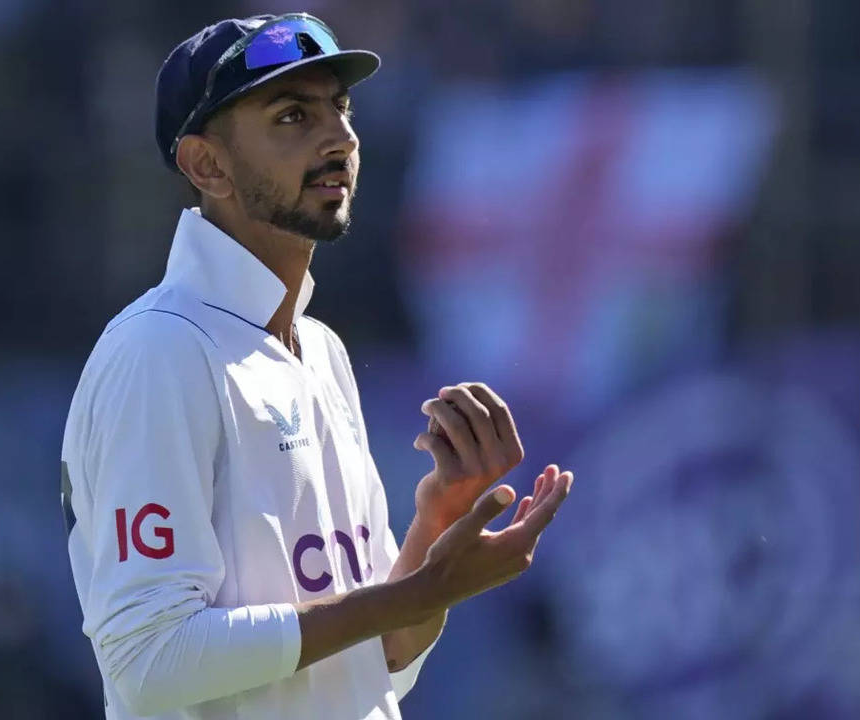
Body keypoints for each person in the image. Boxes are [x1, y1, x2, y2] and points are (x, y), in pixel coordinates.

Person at [60, 13, 574, 719]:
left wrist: (433, 534)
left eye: (339, 106)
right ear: (206, 165)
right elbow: (149, 660)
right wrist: (412, 594)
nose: (340, 138)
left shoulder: (320, 350)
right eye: (293, 115)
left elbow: (381, 661)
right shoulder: (159, 349)